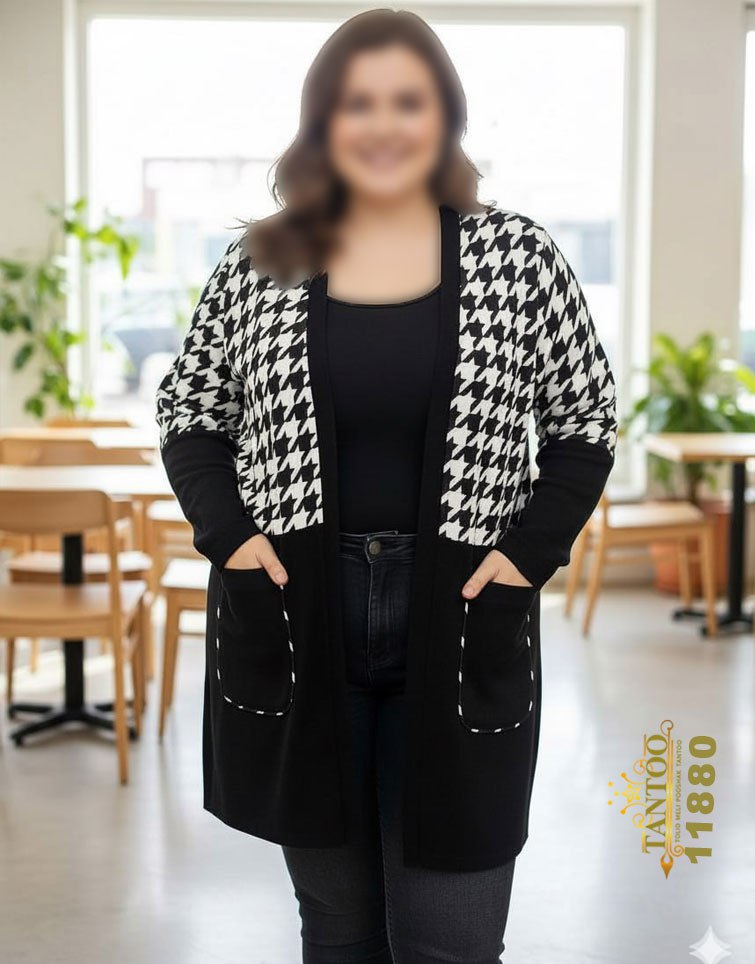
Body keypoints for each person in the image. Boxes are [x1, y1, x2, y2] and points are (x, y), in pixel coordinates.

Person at [155, 8, 618, 962]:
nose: (382, 124)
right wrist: (230, 536)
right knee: (339, 932)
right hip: (299, 605)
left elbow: (584, 421)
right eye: (356, 102)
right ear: (322, 119)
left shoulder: (517, 257)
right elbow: (191, 411)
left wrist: (525, 555)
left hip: (463, 605)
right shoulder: (262, 261)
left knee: (450, 939)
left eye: (407, 101)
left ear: (443, 115)